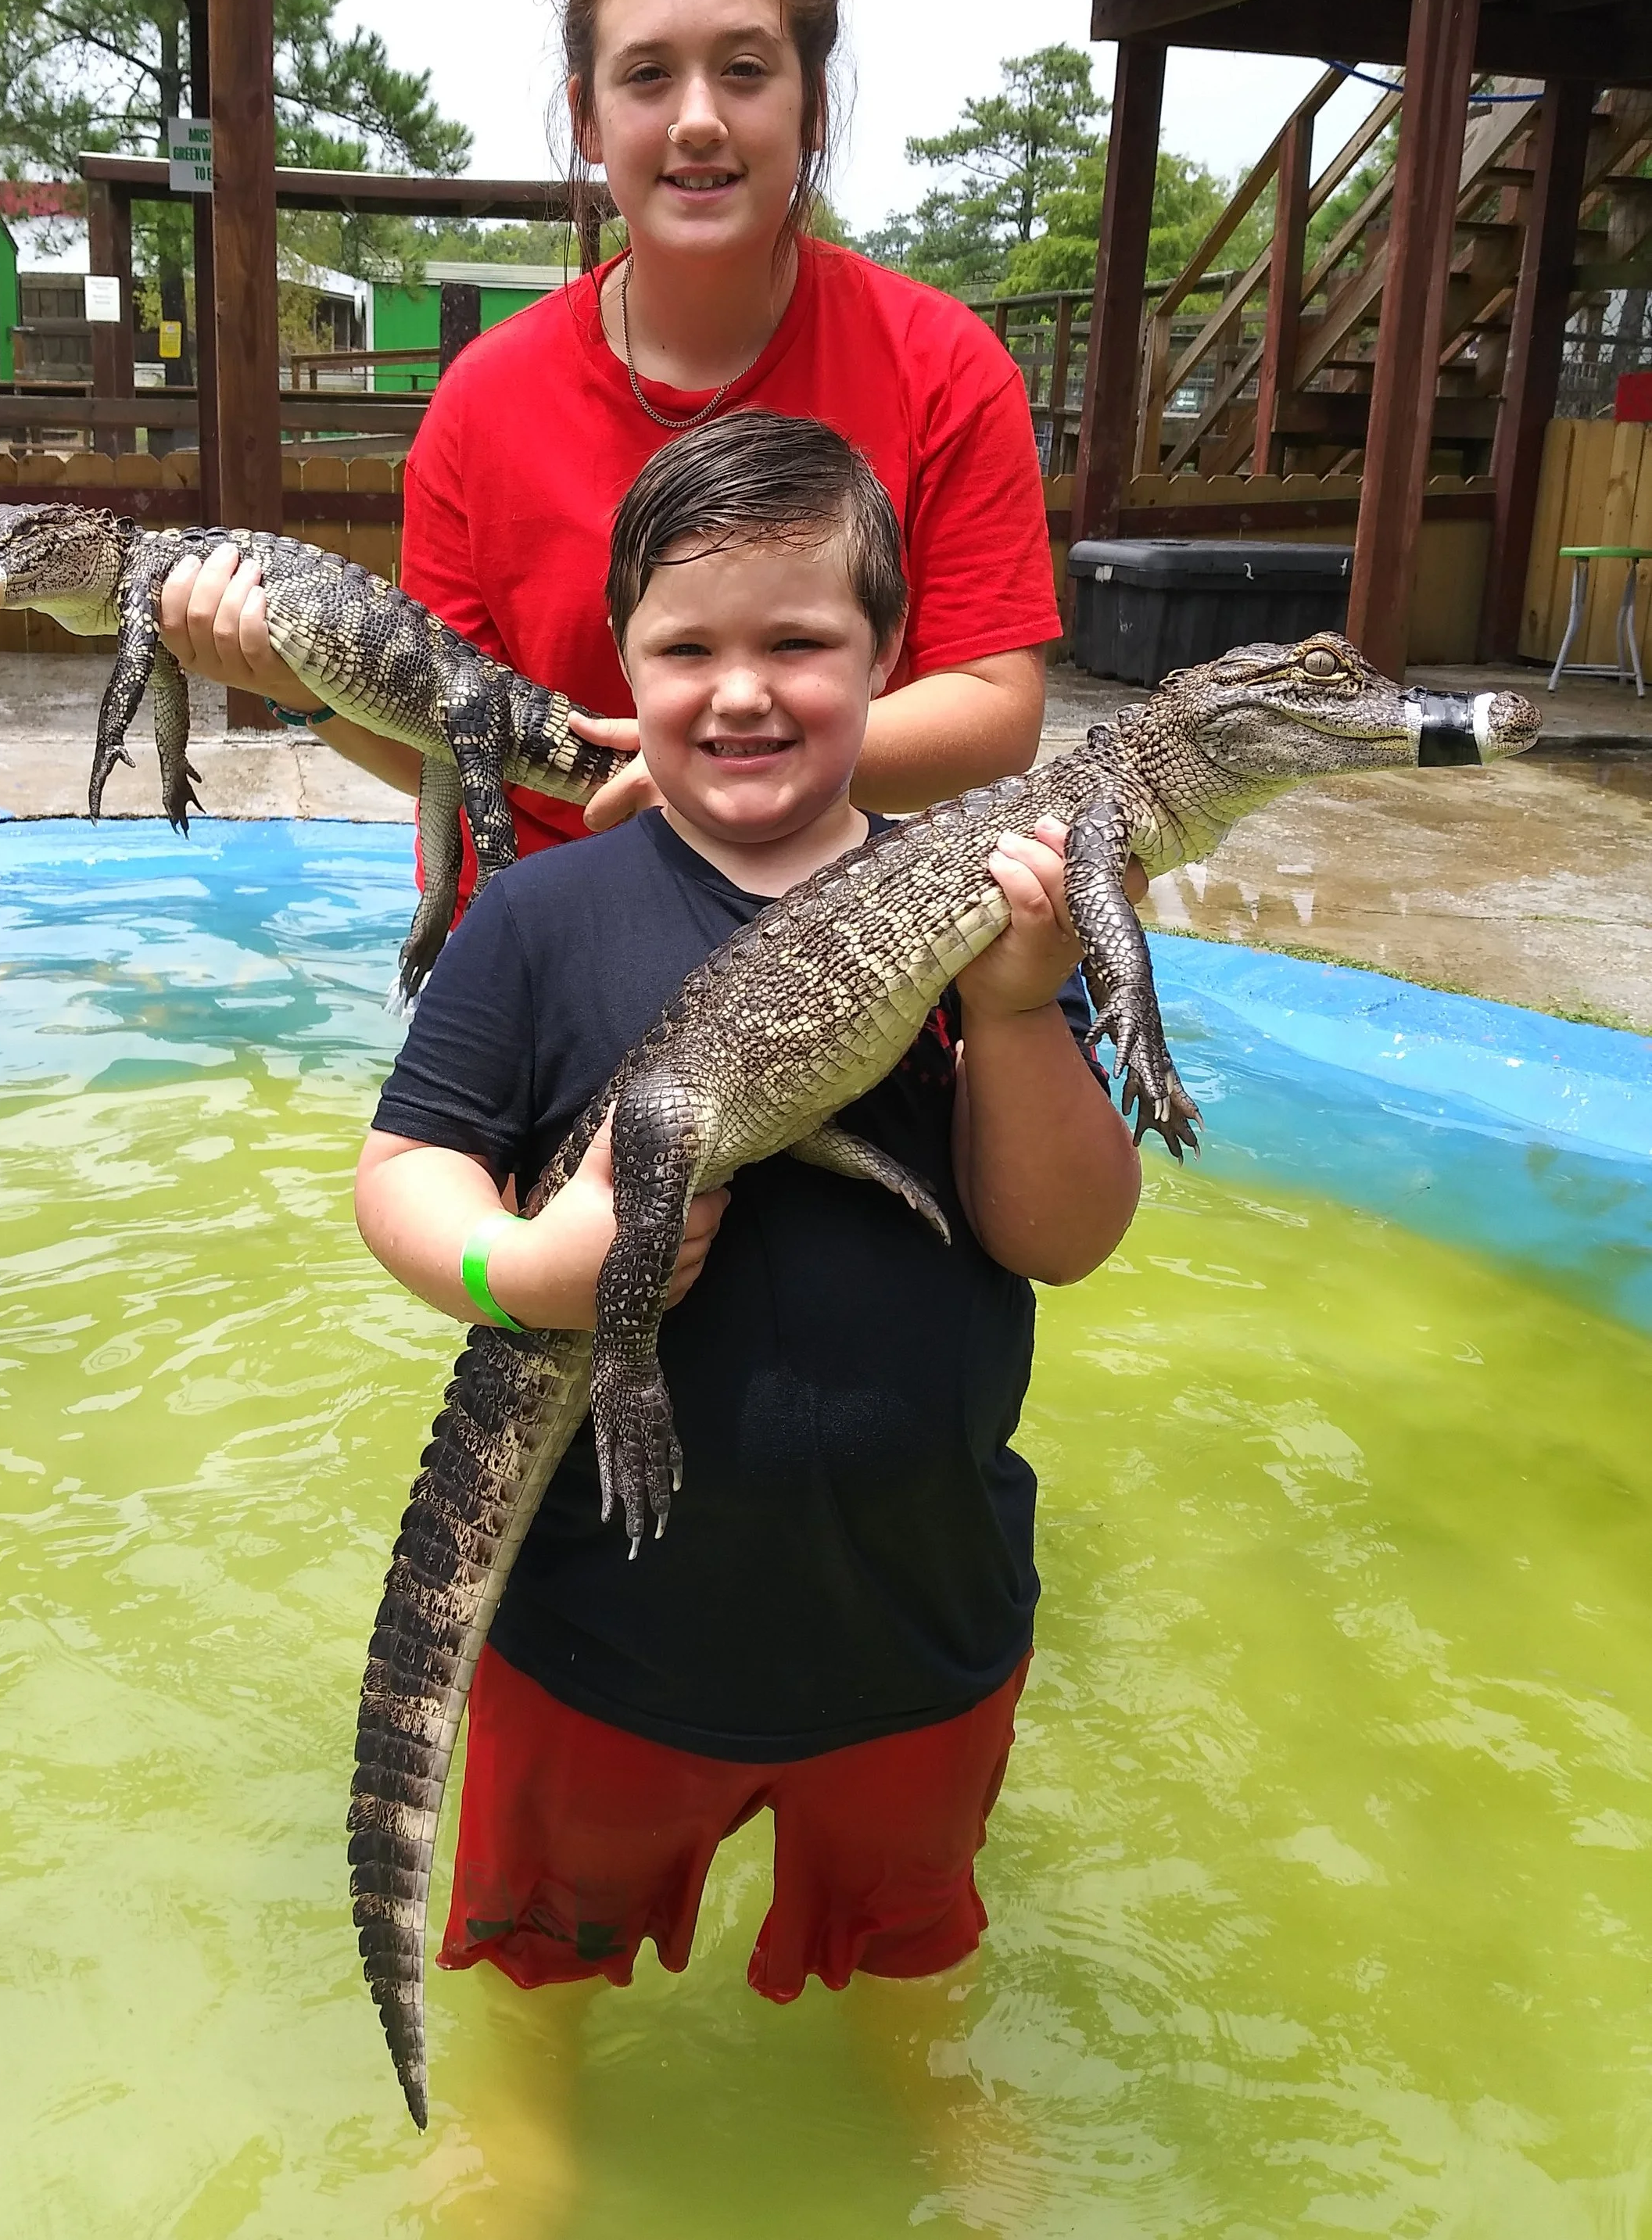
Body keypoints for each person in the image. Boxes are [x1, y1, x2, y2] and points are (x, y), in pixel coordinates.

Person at [355, 413, 1141, 2215]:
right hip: (610, 1631)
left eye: (800, 642)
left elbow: (1065, 1235)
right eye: (687, 649)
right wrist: (525, 1271)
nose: (743, 693)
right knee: (538, 1951)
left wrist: (1020, 1011)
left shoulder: (986, 901)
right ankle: (527, 2115)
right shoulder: (543, 920)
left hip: (919, 1617)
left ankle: (912, 2077)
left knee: (907, 1941)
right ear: (620, 670)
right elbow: (402, 1175)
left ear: (886, 659)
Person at [158, 0, 1060, 851]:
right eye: (647, 76)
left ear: (812, 105)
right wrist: (292, 684)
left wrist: (718, 760)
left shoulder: (944, 366)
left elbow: (996, 710)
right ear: (587, 118)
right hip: (541, 923)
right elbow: (438, 737)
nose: (695, 119)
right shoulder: (483, 402)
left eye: (744, 69)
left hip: (815, 922)